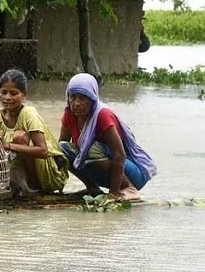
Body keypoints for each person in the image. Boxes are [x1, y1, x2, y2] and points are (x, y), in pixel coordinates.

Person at [59, 73, 156, 201]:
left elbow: (119, 156)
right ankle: (92, 188)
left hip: (129, 172)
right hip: (102, 169)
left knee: (90, 149)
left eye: (83, 98)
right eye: (73, 97)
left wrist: (112, 195)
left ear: (93, 98)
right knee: (62, 149)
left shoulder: (102, 115)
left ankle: (128, 188)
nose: (76, 103)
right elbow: (62, 149)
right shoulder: (69, 114)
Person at [0, 69, 69, 197]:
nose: (7, 97)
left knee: (20, 136)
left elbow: (43, 151)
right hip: (16, 169)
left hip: (49, 173)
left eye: (14, 93)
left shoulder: (28, 114)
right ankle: (13, 183)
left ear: (24, 95)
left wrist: (8, 145)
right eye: (3, 92)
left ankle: (33, 186)